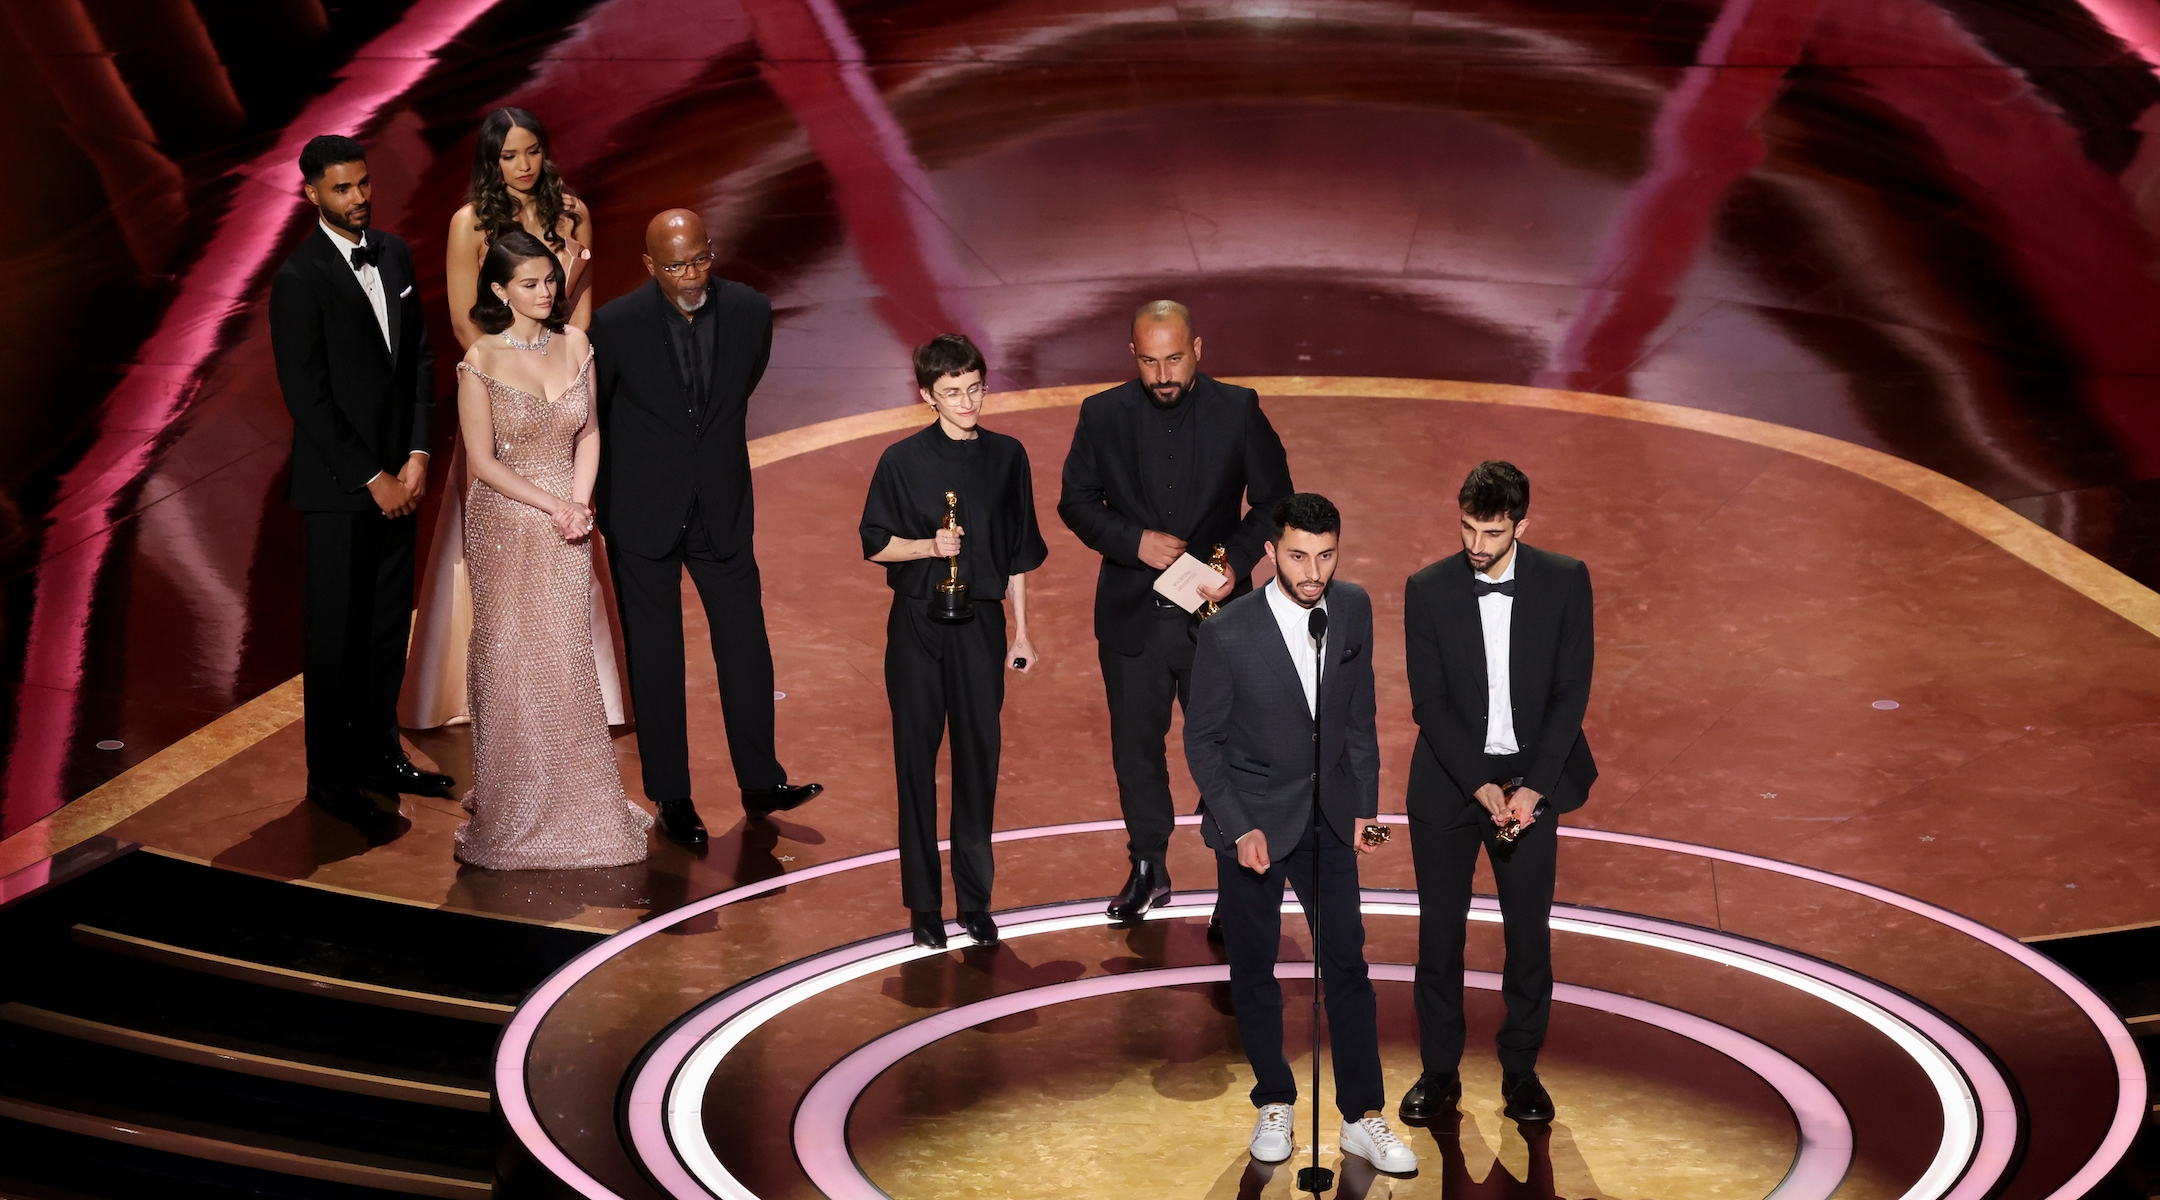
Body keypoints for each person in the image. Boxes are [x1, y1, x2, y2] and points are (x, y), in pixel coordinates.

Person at [1184, 493, 1416, 1174]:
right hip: (1252, 822)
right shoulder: (1228, 631)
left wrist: (1366, 813)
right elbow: (1203, 742)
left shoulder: (1353, 608)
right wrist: (1237, 825)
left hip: (1332, 819)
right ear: (1273, 553)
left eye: (1325, 555)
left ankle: (1363, 1116)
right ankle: (1274, 1101)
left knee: (1347, 962)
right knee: (1254, 971)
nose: (1313, 570)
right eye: (1297, 556)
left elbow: (1360, 715)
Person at [589, 208, 821, 846]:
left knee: (746, 642)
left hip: (721, 505)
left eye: (699, 259)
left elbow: (740, 386)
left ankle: (760, 781)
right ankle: (672, 796)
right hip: (641, 512)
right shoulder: (615, 324)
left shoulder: (749, 310)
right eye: (675, 265)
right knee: (657, 658)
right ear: (648, 265)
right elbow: (598, 416)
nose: (691, 274)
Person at [1057, 300, 1293, 921]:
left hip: (1215, 618)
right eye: (1150, 361)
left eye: (1175, 359)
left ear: (1198, 350)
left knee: (1225, 751)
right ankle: (1148, 867)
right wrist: (1132, 541)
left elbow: (1274, 502)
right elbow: (1076, 502)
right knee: (1136, 749)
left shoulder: (1238, 409)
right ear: (1133, 356)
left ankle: (1233, 886)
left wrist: (1235, 564)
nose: (1163, 374)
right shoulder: (1102, 414)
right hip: (1133, 616)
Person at [405, 106, 618, 732]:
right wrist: (514, 367)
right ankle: (486, 703)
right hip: (502, 393)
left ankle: (579, 696)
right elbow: (462, 319)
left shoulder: (572, 212)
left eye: (532, 152)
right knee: (497, 572)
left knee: (568, 558)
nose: (523, 167)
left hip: (560, 388)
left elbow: (580, 309)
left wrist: (558, 362)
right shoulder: (469, 223)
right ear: (490, 162)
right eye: (509, 156)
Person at [1399, 461, 1596, 1126]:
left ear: (1521, 525)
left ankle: (1521, 1072)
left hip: (1531, 786)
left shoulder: (1567, 582)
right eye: (1468, 529)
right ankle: (1439, 1072)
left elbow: (1572, 691)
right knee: (1439, 937)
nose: (1477, 545)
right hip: (1452, 786)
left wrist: (1533, 789)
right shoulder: (1426, 589)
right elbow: (1429, 703)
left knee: (1528, 937)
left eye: (1492, 532)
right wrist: (1482, 787)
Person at [449, 231, 651, 870]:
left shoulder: (577, 344)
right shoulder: (480, 359)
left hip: (568, 518)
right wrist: (552, 504)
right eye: (529, 284)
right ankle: (513, 798)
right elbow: (481, 462)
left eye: (549, 281)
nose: (544, 293)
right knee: (509, 654)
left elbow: (589, 433)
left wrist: (579, 503)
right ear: (499, 290)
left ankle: (577, 797)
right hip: (507, 520)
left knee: (564, 654)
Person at [269, 134, 453, 828]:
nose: (358, 198)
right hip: (341, 493)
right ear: (311, 193)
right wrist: (371, 476)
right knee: (337, 640)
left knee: (382, 631)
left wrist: (416, 454)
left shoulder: (397, 252)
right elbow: (306, 398)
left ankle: (381, 755)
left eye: (363, 184)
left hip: (399, 481)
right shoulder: (299, 279)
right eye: (342, 189)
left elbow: (419, 359)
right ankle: (332, 779)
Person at [860, 335, 1048, 950]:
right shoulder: (901, 461)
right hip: (915, 626)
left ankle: (975, 899)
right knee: (915, 765)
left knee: (978, 763)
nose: (967, 402)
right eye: (951, 394)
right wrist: (929, 548)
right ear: (926, 396)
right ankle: (923, 904)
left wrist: (1021, 632)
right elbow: (876, 543)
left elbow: (1018, 554)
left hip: (982, 628)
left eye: (974, 389)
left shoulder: (1008, 456)